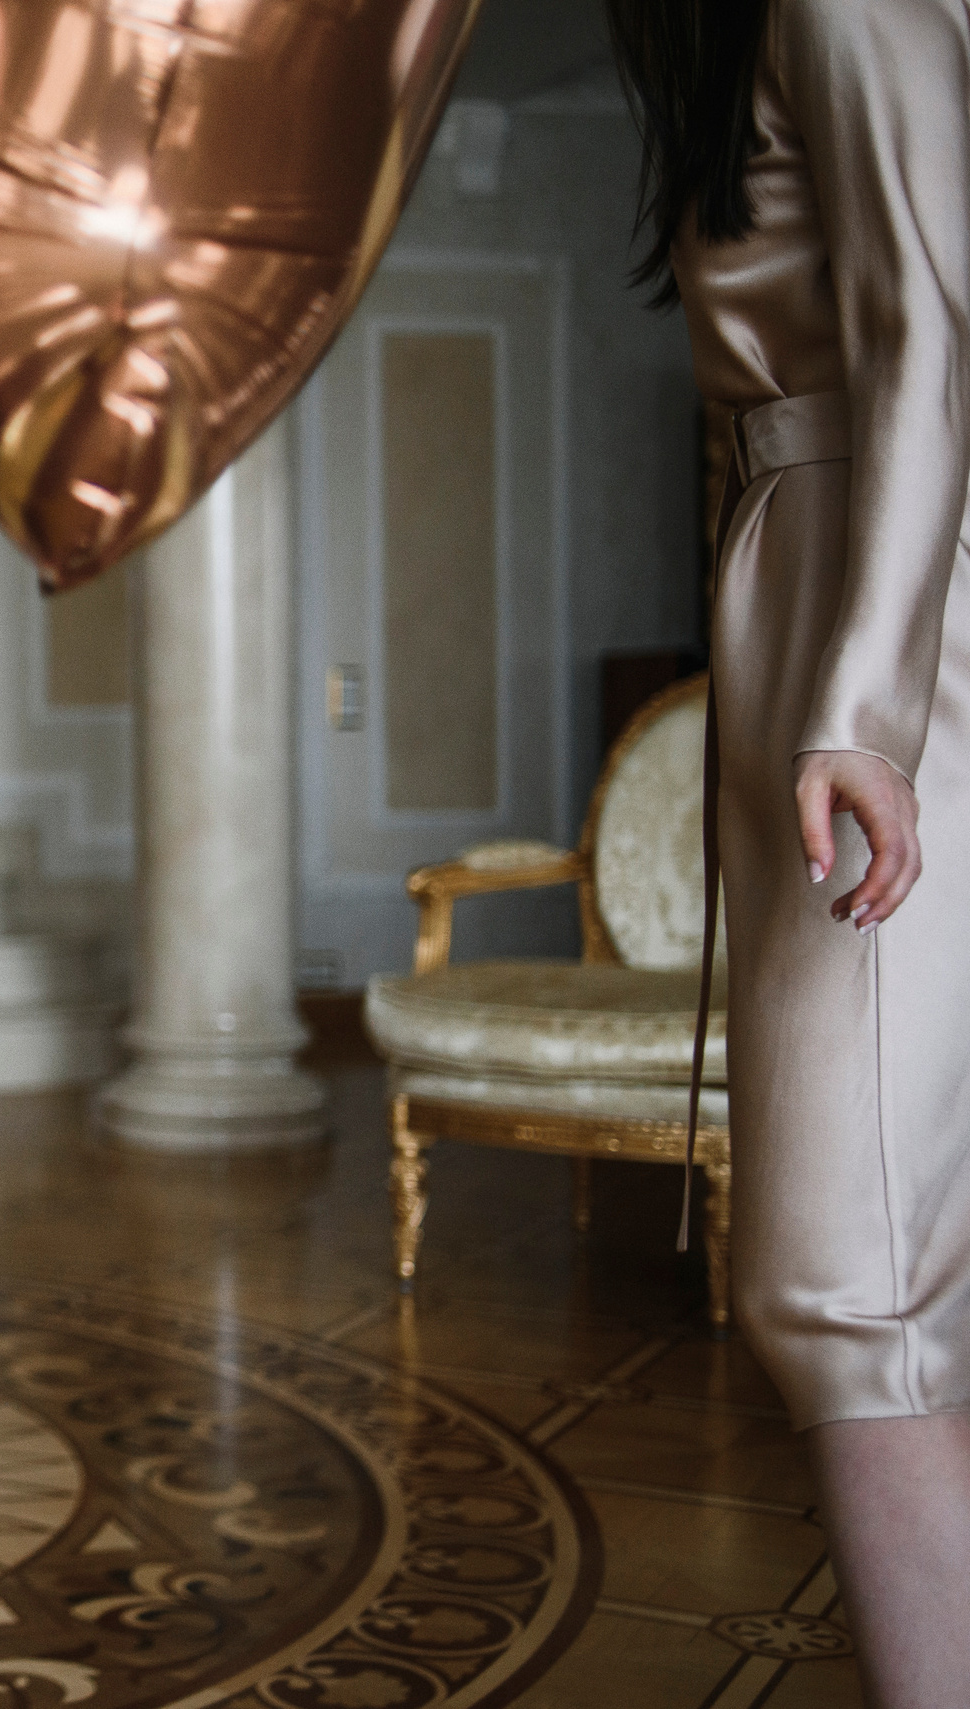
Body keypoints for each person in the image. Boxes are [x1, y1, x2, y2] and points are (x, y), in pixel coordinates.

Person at [607, 0, 970, 1698]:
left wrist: (871, 696)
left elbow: (930, 309)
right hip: (824, 579)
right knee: (886, 1275)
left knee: (852, 1275)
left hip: (883, 606)